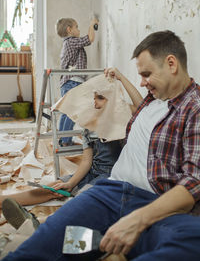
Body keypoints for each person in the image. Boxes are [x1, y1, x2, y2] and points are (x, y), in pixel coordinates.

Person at [3, 30, 200, 261]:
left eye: (146, 74)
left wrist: (139, 219)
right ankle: (94, 246)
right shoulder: (152, 98)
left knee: (189, 241)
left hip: (156, 204)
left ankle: (106, 248)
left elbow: (193, 183)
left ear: (171, 63)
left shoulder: (193, 108)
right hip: (111, 191)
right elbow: (137, 104)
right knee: (43, 243)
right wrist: (118, 76)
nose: (142, 82)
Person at [1, 74, 142, 230]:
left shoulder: (125, 118)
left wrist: (122, 78)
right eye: (94, 98)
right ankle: (3, 199)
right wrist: (70, 183)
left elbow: (142, 106)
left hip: (112, 177)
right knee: (54, 187)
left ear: (113, 99)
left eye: (100, 98)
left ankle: (40, 222)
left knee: (84, 198)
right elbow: (87, 161)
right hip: (92, 173)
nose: (94, 102)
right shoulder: (90, 124)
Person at [56, 17, 99, 146]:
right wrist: (92, 25)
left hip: (67, 82)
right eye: (77, 27)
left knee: (67, 112)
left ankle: (63, 139)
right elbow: (89, 39)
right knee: (73, 112)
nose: (78, 29)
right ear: (69, 30)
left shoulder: (68, 43)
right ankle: (66, 141)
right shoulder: (71, 41)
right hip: (72, 82)